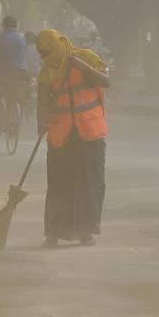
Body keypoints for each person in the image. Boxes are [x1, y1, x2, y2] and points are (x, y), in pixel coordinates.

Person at [36, 29, 110, 247]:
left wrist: (82, 67)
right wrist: (41, 122)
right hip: (61, 135)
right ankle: (54, 233)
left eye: (47, 51)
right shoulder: (47, 71)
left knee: (91, 183)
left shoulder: (86, 57)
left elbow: (106, 81)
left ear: (59, 45)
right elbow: (42, 100)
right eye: (41, 53)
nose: (45, 56)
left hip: (90, 132)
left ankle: (87, 232)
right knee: (59, 185)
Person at [0, 15, 29, 120]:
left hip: (4, 74)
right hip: (22, 74)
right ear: (16, 26)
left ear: (4, 26)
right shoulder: (23, 39)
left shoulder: (0, 39)